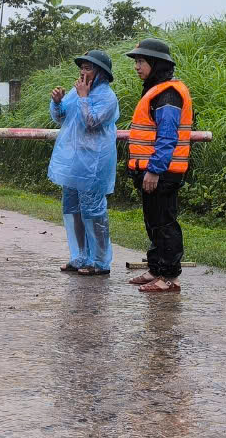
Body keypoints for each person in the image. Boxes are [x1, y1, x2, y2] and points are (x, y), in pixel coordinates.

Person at [123, 38, 193, 293]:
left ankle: (170, 276)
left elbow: (167, 136)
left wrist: (154, 169)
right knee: (153, 221)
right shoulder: (156, 90)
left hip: (162, 172)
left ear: (156, 63)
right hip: (152, 170)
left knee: (164, 223)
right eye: (137, 62)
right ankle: (156, 269)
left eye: (141, 61)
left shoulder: (168, 94)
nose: (137, 67)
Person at [48, 49, 120, 277]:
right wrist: (58, 102)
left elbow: (91, 122)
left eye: (88, 67)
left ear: (100, 72)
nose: (82, 71)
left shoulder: (107, 97)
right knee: (72, 209)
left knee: (94, 211)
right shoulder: (77, 91)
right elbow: (61, 117)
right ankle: (79, 257)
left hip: (94, 164)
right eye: (82, 67)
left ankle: (100, 262)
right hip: (74, 162)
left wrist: (83, 97)